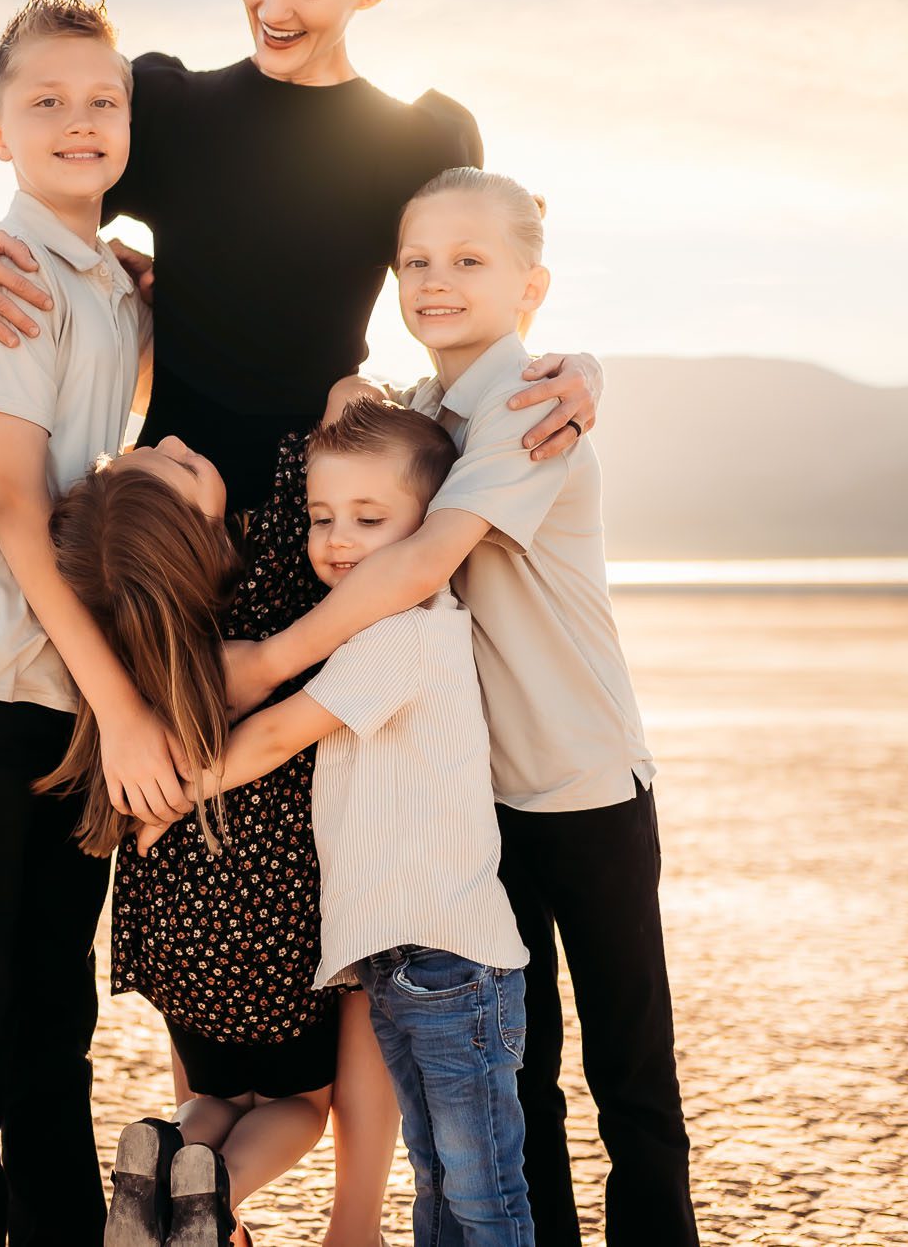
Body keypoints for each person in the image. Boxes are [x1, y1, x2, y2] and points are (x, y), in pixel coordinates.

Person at [0, 0, 606, 1238]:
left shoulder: (422, 130)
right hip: (170, 535)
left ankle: (347, 1217)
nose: (273, 3)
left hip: (335, 520)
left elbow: (489, 265)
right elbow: (54, 186)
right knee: (189, 856)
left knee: (342, 868)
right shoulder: (170, 100)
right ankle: (206, 1188)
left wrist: (583, 366)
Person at [227, 168, 702, 1245]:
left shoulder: (530, 404)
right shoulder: (427, 413)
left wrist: (267, 661)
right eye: (415, 261)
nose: (435, 280)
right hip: (478, 804)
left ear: (530, 286)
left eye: (467, 260)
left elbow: (426, 555)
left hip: (581, 781)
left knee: (631, 1070)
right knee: (516, 1075)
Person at [0, 0, 189, 1247]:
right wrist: (124, 709)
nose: (78, 120)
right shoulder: (8, 276)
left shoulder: (118, 289)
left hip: (65, 693)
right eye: (44, 102)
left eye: (101, 100)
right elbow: (18, 511)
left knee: (50, 1027)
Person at [137, 398, 536, 1245]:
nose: (337, 539)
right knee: (441, 1175)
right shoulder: (366, 636)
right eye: (321, 517)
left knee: (479, 1185)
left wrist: (173, 791)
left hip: (447, 955)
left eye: (368, 517)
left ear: (429, 529)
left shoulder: (404, 637)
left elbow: (278, 733)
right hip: (403, 956)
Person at [45, 431, 341, 1247]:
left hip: (174, 933)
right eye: (176, 466)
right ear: (204, 540)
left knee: (216, 1096)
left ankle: (168, 1149)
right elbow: (309, 481)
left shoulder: (130, 654)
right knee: (299, 1103)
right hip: (271, 921)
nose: (174, 437)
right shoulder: (273, 579)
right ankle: (219, 1192)